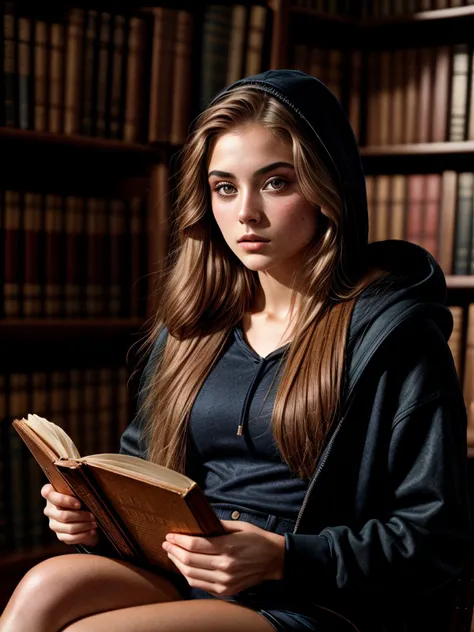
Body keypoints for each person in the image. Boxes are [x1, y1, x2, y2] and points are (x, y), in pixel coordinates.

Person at [0, 69, 471, 632]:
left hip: (312, 596)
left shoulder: (391, 336)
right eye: (225, 187)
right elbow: (148, 479)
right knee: (43, 588)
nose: (246, 211)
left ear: (328, 188)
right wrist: (96, 518)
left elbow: (435, 538)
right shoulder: (195, 328)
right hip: (187, 567)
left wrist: (284, 556)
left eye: (276, 182)